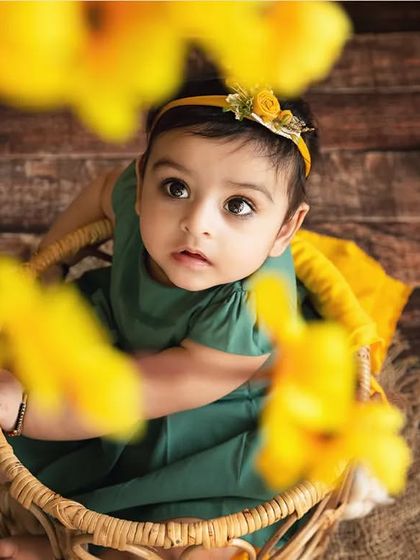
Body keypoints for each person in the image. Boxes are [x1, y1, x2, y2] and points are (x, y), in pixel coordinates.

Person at [0, 76, 387, 560]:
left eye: (238, 205)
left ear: (284, 229)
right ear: (142, 184)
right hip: (125, 355)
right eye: (176, 187)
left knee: (195, 539)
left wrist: (20, 406)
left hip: (219, 430)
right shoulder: (138, 202)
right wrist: (48, 264)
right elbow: (101, 194)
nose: (197, 222)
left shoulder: (247, 311)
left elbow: (126, 396)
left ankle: (69, 551)